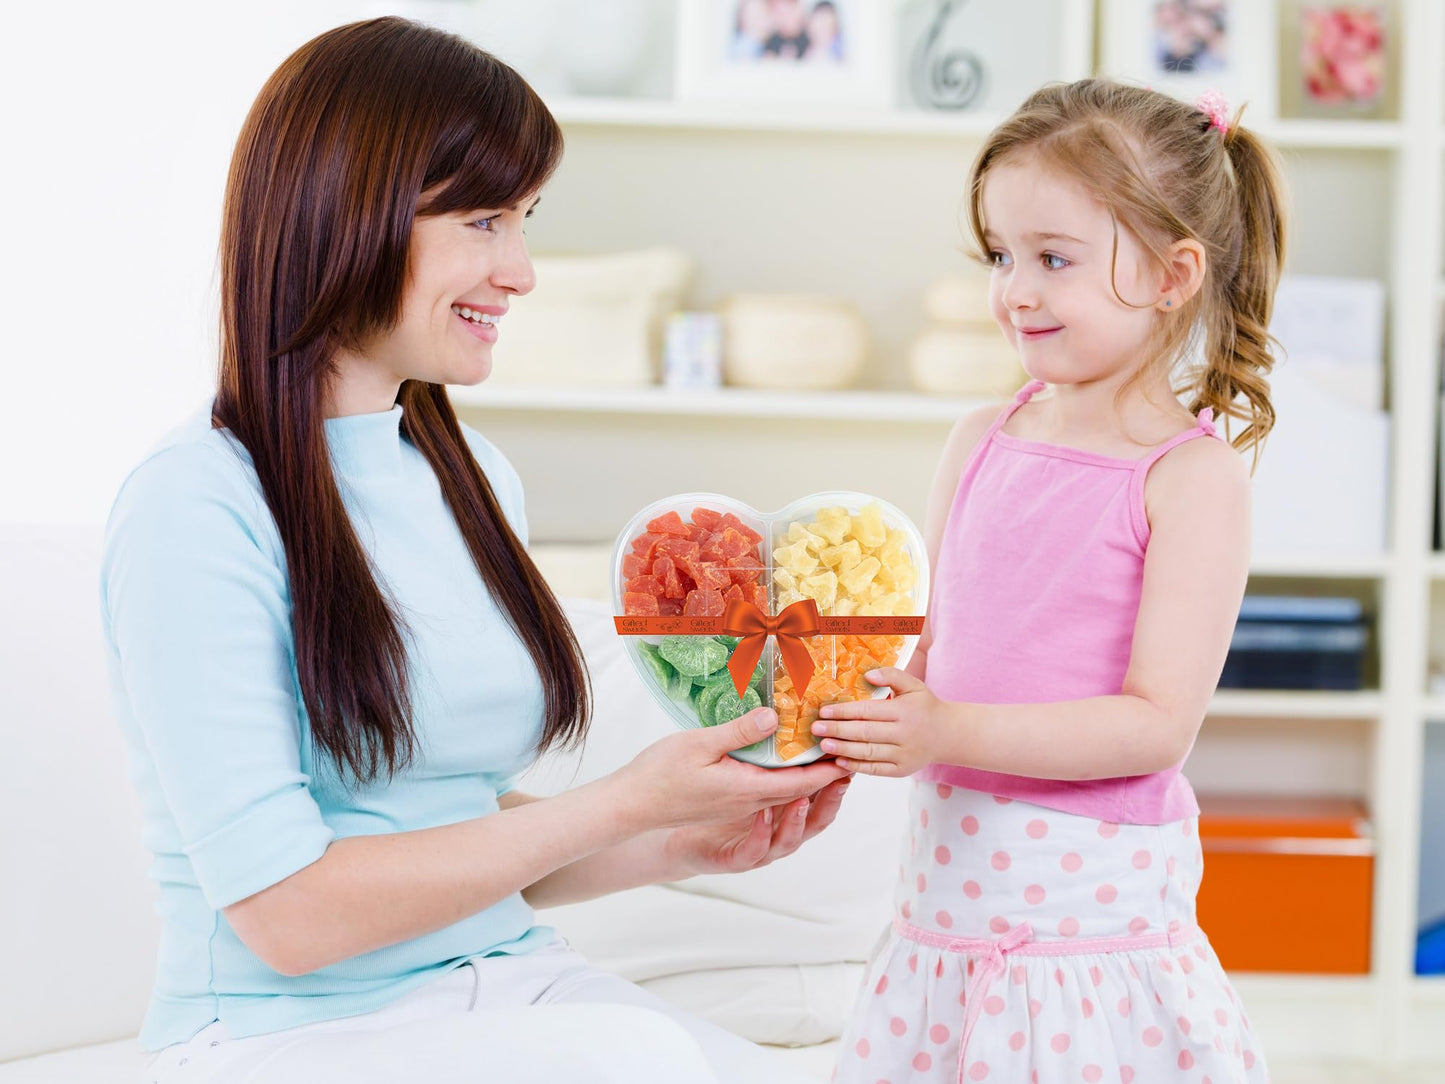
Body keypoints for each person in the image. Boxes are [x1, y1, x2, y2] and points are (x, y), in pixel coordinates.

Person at [100, 17, 849, 1084]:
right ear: (345, 213)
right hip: (287, 1034)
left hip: (503, 982)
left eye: (526, 220)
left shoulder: (469, 475)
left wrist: (677, 842)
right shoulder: (196, 504)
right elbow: (287, 915)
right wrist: (625, 800)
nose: (523, 271)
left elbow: (451, 820)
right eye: (487, 221)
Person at [817, 78, 1284, 1083]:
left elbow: (1154, 722)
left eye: (1052, 259)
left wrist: (945, 730)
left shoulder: (1189, 479)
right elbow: (929, 652)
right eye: (999, 254)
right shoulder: (980, 437)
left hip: (1085, 926)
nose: (1013, 289)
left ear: (1171, 274)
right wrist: (838, 715)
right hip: (947, 895)